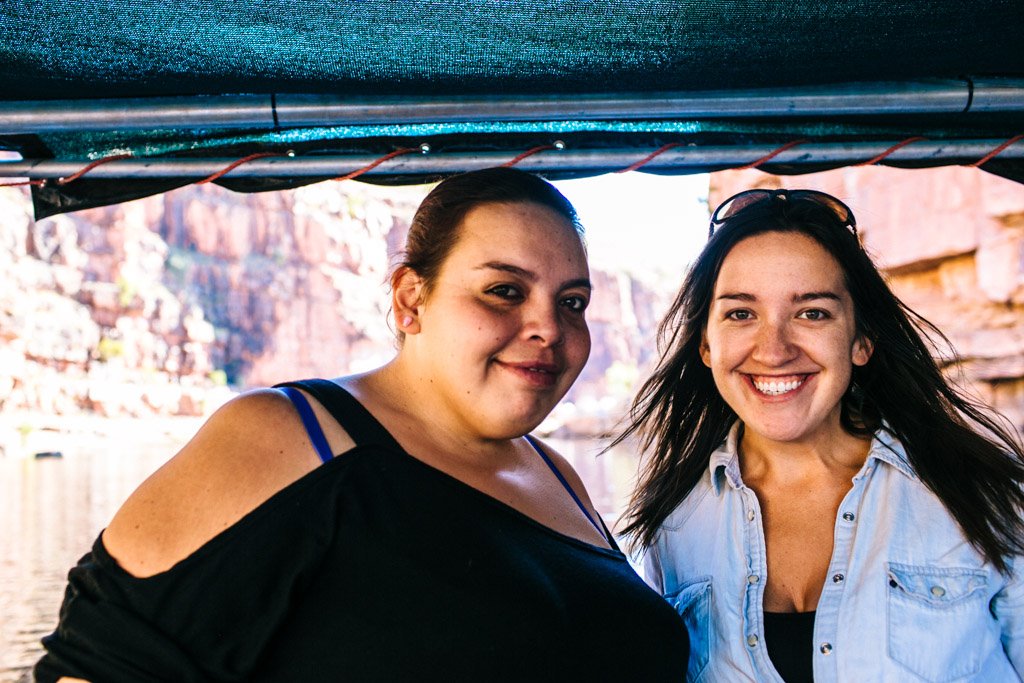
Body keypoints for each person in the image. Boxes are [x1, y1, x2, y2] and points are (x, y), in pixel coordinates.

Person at [35, 167, 689, 682]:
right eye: (505, 290)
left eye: (572, 301)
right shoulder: (292, 439)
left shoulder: (557, 474)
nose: (550, 327)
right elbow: (95, 667)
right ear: (411, 299)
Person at [616, 188, 1024, 682]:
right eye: (741, 313)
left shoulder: (982, 495)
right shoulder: (671, 522)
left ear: (861, 340)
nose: (774, 350)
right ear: (706, 343)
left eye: (812, 313)